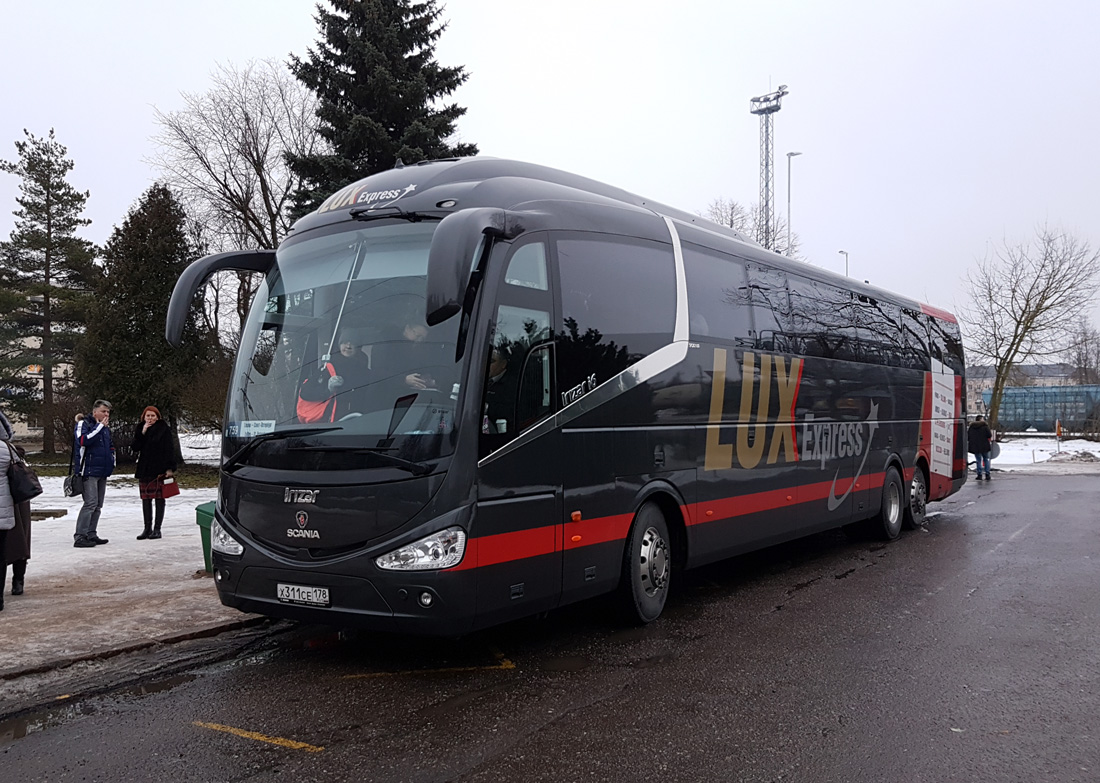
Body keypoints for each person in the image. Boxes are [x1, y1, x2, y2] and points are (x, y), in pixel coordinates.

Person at [297, 328, 374, 422]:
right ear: (339, 345)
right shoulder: (329, 368)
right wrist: (328, 390)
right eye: (344, 342)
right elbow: (305, 392)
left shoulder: (366, 372)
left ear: (359, 347)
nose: (348, 346)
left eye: (353, 343)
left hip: (360, 423)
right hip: (332, 426)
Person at [72, 400, 115, 547]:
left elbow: (109, 446)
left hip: (102, 470)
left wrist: (111, 461)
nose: (106, 414)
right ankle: (80, 536)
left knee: (98, 505)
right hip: (88, 471)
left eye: (108, 412)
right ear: (95, 411)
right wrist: (99, 427)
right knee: (90, 503)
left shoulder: (105, 429)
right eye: (103, 411)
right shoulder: (84, 424)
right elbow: (83, 440)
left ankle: (91, 533)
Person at [0, 409, 32, 609]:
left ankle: (18, 578)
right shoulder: (10, 450)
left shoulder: (7, 450)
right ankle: (17, 580)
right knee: (14, 542)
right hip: (15, 500)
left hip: (13, 500)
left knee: (16, 541)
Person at [131, 406, 176, 540]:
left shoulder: (163, 428)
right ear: (143, 417)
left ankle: (157, 529)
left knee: (159, 499)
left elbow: (169, 448)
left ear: (158, 417)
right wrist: (143, 432)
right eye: (148, 416)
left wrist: (169, 468)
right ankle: (147, 528)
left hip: (159, 468)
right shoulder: (140, 428)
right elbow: (135, 447)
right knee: (146, 499)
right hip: (145, 468)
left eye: (153, 416)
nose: (150, 418)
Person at [968, 413, 993, 480]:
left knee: (978, 460)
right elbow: (989, 435)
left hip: (976, 446)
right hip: (984, 445)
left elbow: (968, 436)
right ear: (981, 420)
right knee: (986, 459)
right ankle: (987, 474)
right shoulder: (985, 426)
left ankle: (979, 474)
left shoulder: (972, 427)